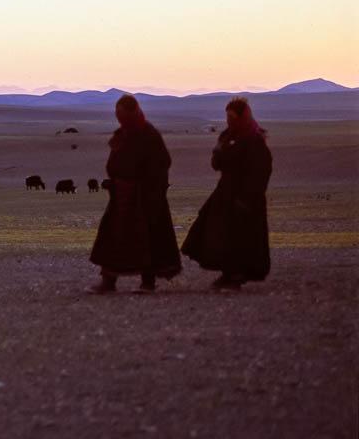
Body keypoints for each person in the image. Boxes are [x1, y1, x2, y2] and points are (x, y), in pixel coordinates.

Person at [87, 94, 182, 293]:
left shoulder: (148, 134)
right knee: (113, 235)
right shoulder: (121, 134)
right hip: (121, 193)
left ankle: (148, 282)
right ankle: (108, 281)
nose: (118, 117)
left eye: (121, 113)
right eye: (116, 113)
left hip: (143, 196)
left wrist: (151, 188)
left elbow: (162, 163)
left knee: (146, 236)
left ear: (132, 112)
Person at [181, 97, 272, 290]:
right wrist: (220, 150)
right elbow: (217, 164)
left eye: (232, 117)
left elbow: (261, 171)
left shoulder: (254, 141)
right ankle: (227, 272)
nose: (229, 121)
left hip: (246, 196)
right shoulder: (228, 137)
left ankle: (237, 275)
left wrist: (248, 198)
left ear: (242, 117)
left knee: (242, 235)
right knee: (218, 232)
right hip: (225, 192)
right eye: (227, 117)